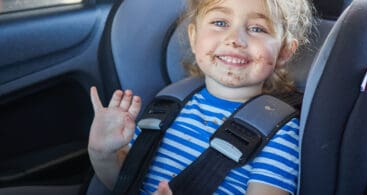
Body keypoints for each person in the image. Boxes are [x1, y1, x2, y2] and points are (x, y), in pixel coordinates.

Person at [87, 0, 314, 194]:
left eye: (257, 29)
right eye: (220, 23)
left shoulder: (278, 134)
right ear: (194, 37)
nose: (235, 39)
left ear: (284, 51)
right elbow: (125, 182)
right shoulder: (168, 103)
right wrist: (102, 153)